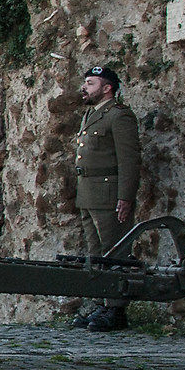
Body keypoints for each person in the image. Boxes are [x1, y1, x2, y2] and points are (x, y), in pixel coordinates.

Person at [70, 63, 141, 332]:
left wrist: (125, 197)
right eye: (86, 82)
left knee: (115, 252)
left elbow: (129, 161)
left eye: (90, 83)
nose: (84, 88)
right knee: (95, 253)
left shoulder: (119, 116)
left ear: (107, 88)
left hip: (109, 194)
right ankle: (100, 304)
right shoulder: (91, 115)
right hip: (88, 193)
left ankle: (116, 310)